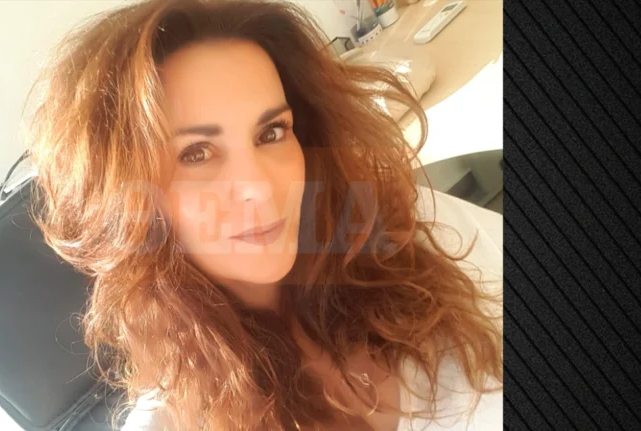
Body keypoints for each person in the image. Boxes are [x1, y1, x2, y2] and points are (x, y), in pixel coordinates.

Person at [27, 0, 503, 429]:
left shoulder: (409, 232)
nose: (259, 188)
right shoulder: (176, 423)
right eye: (195, 153)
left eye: (272, 132)